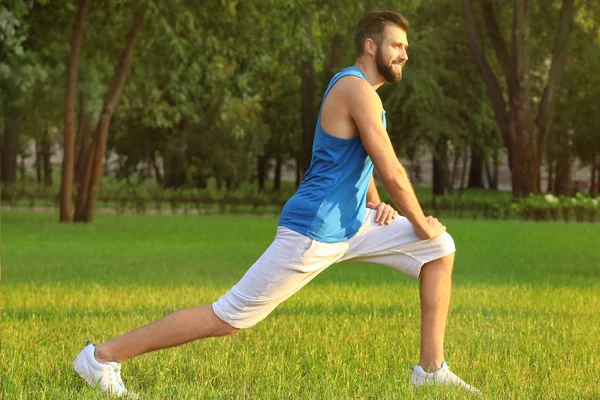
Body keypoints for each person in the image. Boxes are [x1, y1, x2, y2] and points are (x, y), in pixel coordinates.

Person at [73, 9, 480, 396]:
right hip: (313, 232)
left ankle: (430, 372)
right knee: (227, 318)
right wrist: (421, 221)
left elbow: (361, 160)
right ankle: (101, 358)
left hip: (353, 225)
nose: (404, 54)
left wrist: (375, 204)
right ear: (371, 46)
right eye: (396, 45)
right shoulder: (356, 89)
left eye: (405, 47)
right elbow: (392, 170)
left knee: (438, 249)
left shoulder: (361, 92)